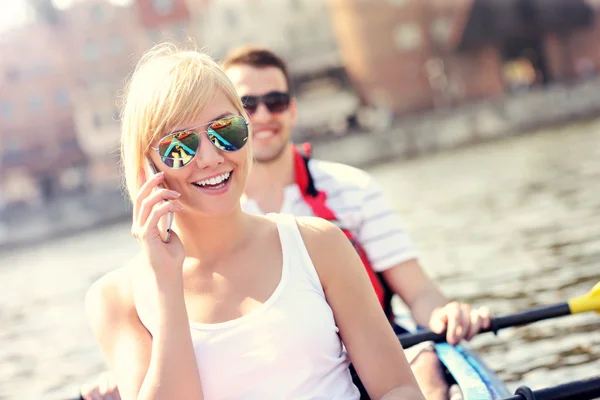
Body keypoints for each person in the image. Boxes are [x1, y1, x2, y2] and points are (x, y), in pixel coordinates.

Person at [80, 45, 491, 400]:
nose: (209, 158)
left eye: (225, 131)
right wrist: (166, 286)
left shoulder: (320, 244)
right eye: (179, 146)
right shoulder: (118, 300)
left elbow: (396, 389)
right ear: (147, 165)